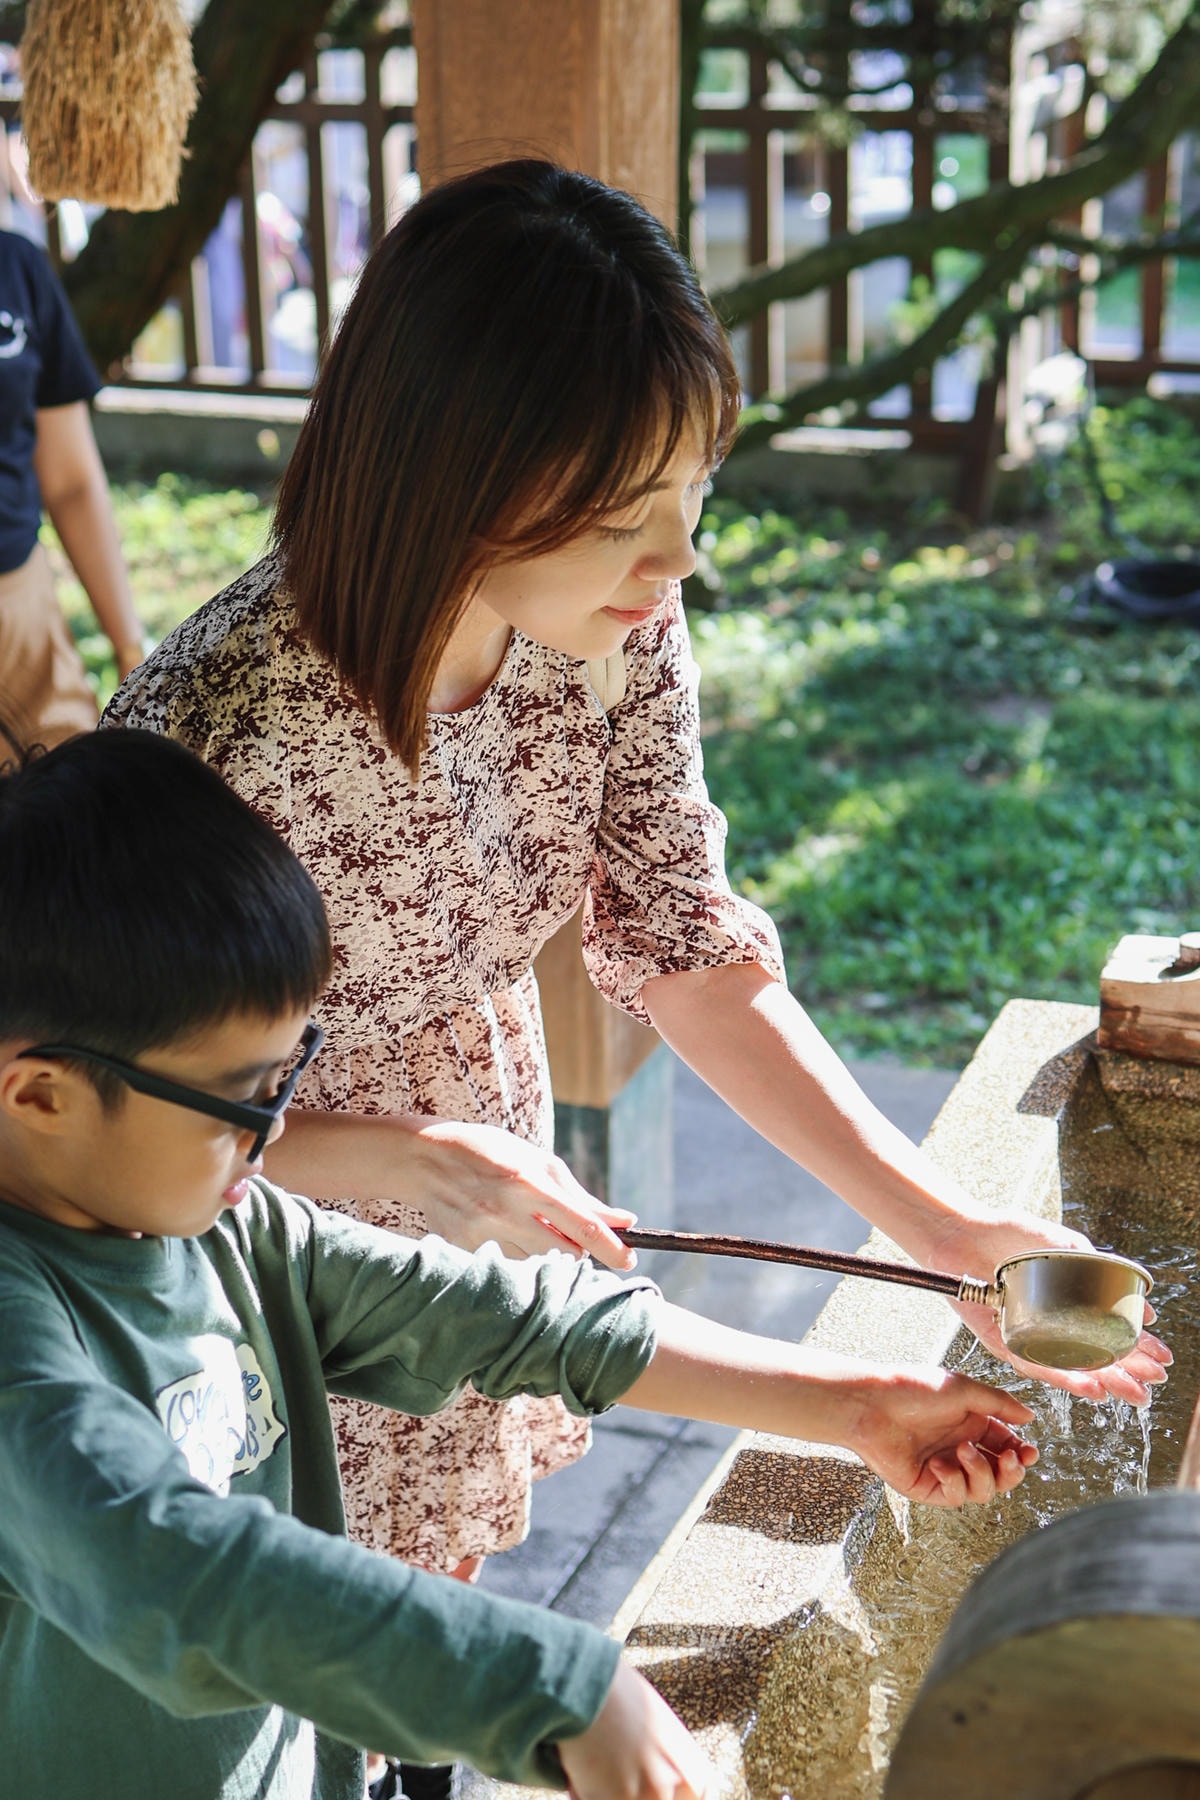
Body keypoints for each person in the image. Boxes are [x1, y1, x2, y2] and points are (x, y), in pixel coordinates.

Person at [103, 156, 1167, 1609]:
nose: (677, 558)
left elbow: (684, 941)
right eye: (621, 509)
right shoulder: (232, 739)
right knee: (306, 1650)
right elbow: (93, 1133)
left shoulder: (605, 617)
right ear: (446, 472)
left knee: (442, 1617)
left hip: (481, 1195)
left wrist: (945, 1231)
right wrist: (405, 1157)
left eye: (693, 488)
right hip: (255, 1278)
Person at [0, 726, 1040, 1800]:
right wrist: (565, 1686)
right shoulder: (18, 1361)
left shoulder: (223, 1227)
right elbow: (191, 1574)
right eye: (246, 1097)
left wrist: (860, 1407)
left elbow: (510, 1319)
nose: (278, 1131)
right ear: (43, 1096)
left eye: (288, 1074)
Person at [0, 226, 145, 747]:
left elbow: (71, 482)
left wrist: (129, 647)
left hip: (19, 603)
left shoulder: (15, 265)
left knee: (76, 805)